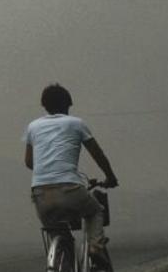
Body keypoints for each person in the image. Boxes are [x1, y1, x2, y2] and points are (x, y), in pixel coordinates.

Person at [22, 84, 118, 258]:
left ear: (44, 106)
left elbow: (29, 162)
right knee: (96, 211)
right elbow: (98, 154)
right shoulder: (76, 123)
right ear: (67, 105)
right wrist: (110, 177)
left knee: (57, 235)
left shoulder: (33, 126)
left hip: (40, 193)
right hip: (70, 188)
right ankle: (95, 247)